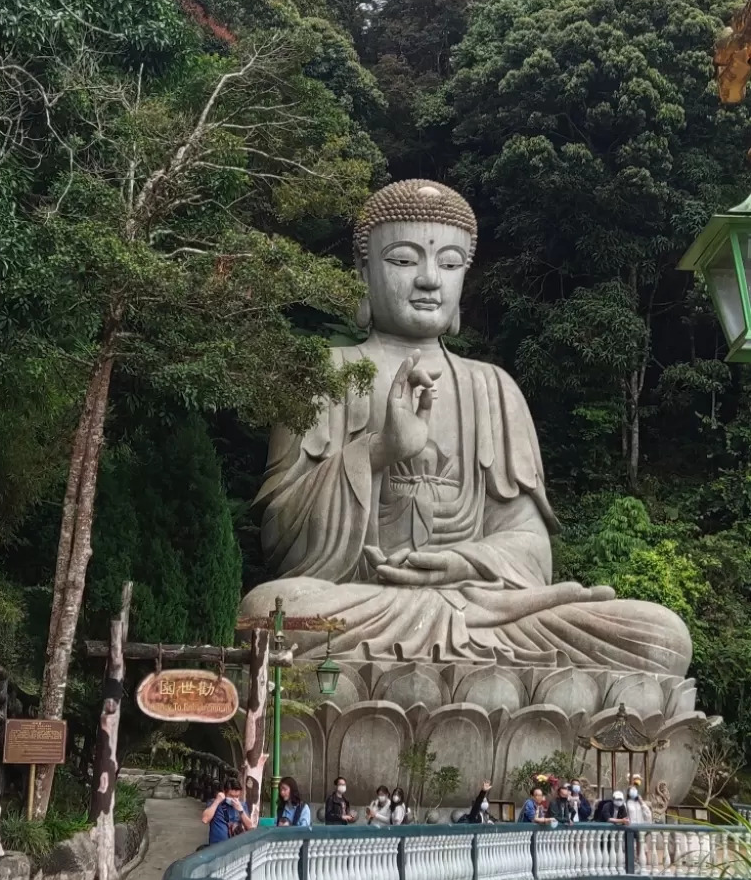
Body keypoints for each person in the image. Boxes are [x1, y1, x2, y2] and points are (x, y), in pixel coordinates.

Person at [240, 178, 692, 680]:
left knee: (659, 635)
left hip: (478, 608)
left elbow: (531, 547)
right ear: (363, 272)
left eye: (450, 263)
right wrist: (376, 451)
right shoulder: (322, 376)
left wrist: (464, 562)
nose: (430, 280)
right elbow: (280, 542)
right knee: (269, 613)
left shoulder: (494, 388)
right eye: (404, 260)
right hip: (365, 602)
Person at [202, 774, 254, 845]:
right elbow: (205, 819)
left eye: (237, 796)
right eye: (231, 796)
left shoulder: (242, 805)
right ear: (224, 792)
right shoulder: (215, 803)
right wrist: (217, 801)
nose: (234, 799)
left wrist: (241, 811)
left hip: (235, 846)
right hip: (217, 846)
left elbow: (250, 827)